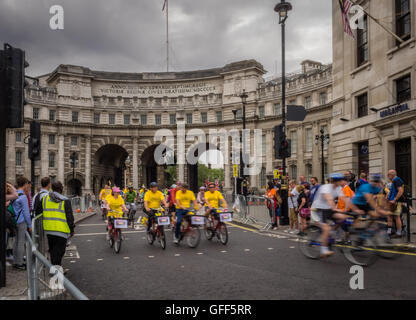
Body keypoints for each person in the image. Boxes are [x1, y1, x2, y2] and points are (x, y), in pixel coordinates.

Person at [310, 173, 349, 258]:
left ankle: (331, 232)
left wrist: (354, 209)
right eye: (340, 180)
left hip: (328, 209)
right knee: (326, 229)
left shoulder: (338, 188)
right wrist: (335, 208)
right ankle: (323, 250)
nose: (342, 181)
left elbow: (345, 199)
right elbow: (329, 199)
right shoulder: (325, 188)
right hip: (318, 209)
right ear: (335, 181)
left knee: (344, 218)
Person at [41, 181, 75, 269]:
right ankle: (55, 272)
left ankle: (56, 268)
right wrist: (72, 230)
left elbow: (38, 212)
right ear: (61, 189)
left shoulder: (45, 198)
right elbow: (69, 217)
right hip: (61, 230)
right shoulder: (65, 200)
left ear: (52, 188)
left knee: (53, 250)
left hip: (49, 229)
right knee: (59, 252)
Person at [11, 177, 32, 270]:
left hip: (14, 221)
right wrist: (29, 225)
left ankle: (15, 261)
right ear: (24, 184)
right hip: (21, 221)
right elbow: (26, 213)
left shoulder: (14, 195)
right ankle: (19, 263)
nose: (28, 185)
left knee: (15, 242)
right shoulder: (23, 196)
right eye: (27, 184)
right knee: (20, 242)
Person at [386, 170, 404, 237]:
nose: (387, 176)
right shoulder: (394, 180)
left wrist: (395, 199)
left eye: (388, 174)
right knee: (389, 216)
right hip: (391, 201)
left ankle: (399, 233)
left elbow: (400, 191)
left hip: (395, 202)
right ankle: (389, 231)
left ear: (392, 174)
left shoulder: (397, 180)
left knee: (396, 217)